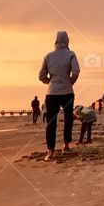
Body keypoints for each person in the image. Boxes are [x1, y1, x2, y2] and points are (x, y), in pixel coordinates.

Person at [38, 31, 80, 160]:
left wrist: (49, 81)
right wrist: (70, 81)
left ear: (55, 41)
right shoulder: (71, 54)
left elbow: (41, 76)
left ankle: (50, 151)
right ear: (67, 41)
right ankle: (66, 145)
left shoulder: (48, 56)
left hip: (52, 93)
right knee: (68, 119)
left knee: (51, 122)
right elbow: (76, 71)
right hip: (67, 91)